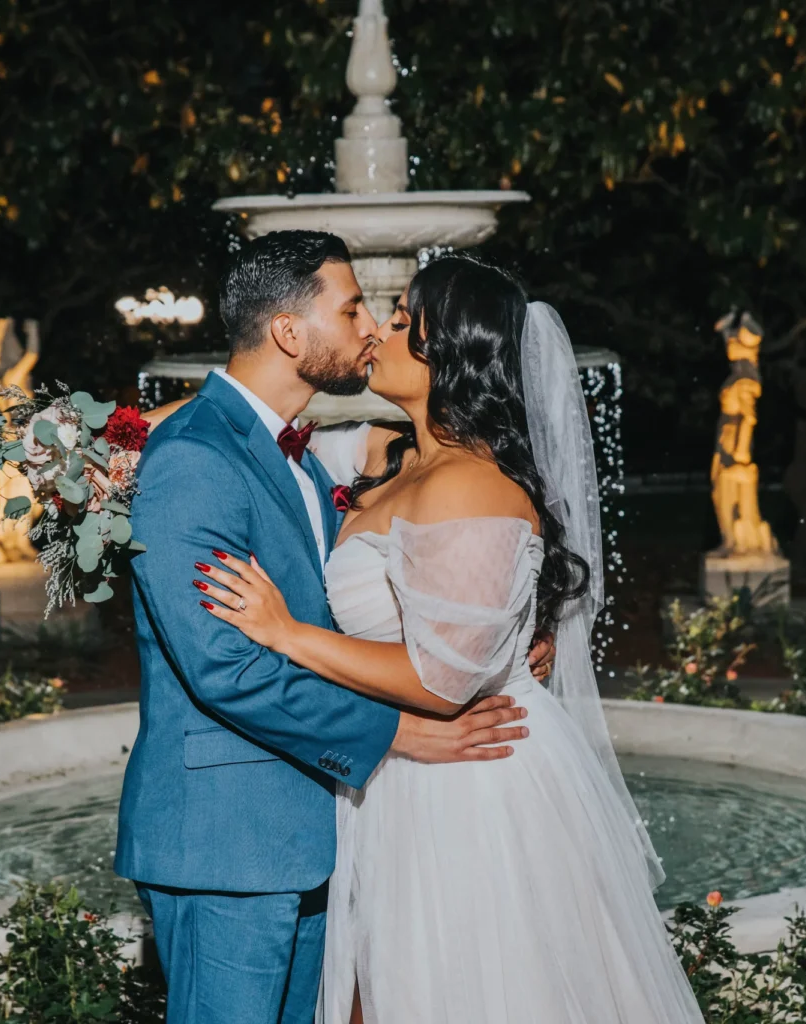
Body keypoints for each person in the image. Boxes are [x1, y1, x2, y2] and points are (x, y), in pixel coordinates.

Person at [195, 256, 706, 1023]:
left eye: (402, 321)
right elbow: (231, 420)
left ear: (451, 351)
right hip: (395, 773)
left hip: (468, 784)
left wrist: (288, 634)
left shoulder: (470, 483)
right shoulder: (385, 456)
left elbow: (441, 682)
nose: (378, 332)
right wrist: (81, 441)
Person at [118, 231, 553, 1024]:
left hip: (315, 831)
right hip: (228, 843)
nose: (369, 328)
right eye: (352, 308)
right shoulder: (195, 461)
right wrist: (397, 733)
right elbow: (226, 669)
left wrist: (509, 627)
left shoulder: (313, 461)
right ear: (290, 333)